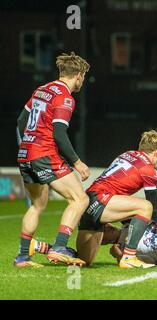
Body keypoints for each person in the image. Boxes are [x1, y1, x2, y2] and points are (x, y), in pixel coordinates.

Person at [14, 52, 90, 268]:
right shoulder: (65, 98)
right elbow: (59, 133)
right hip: (43, 154)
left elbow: (21, 121)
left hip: (25, 153)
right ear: (78, 75)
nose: (82, 81)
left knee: (38, 205)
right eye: (83, 76)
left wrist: (28, 145)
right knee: (79, 199)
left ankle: (22, 257)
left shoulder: (41, 90)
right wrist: (77, 162)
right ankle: (59, 247)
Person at [76, 130, 157, 268]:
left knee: (83, 261)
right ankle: (129, 257)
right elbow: (154, 207)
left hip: (88, 199)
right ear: (155, 152)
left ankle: (40, 247)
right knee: (146, 207)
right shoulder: (149, 169)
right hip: (102, 200)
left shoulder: (127, 154)